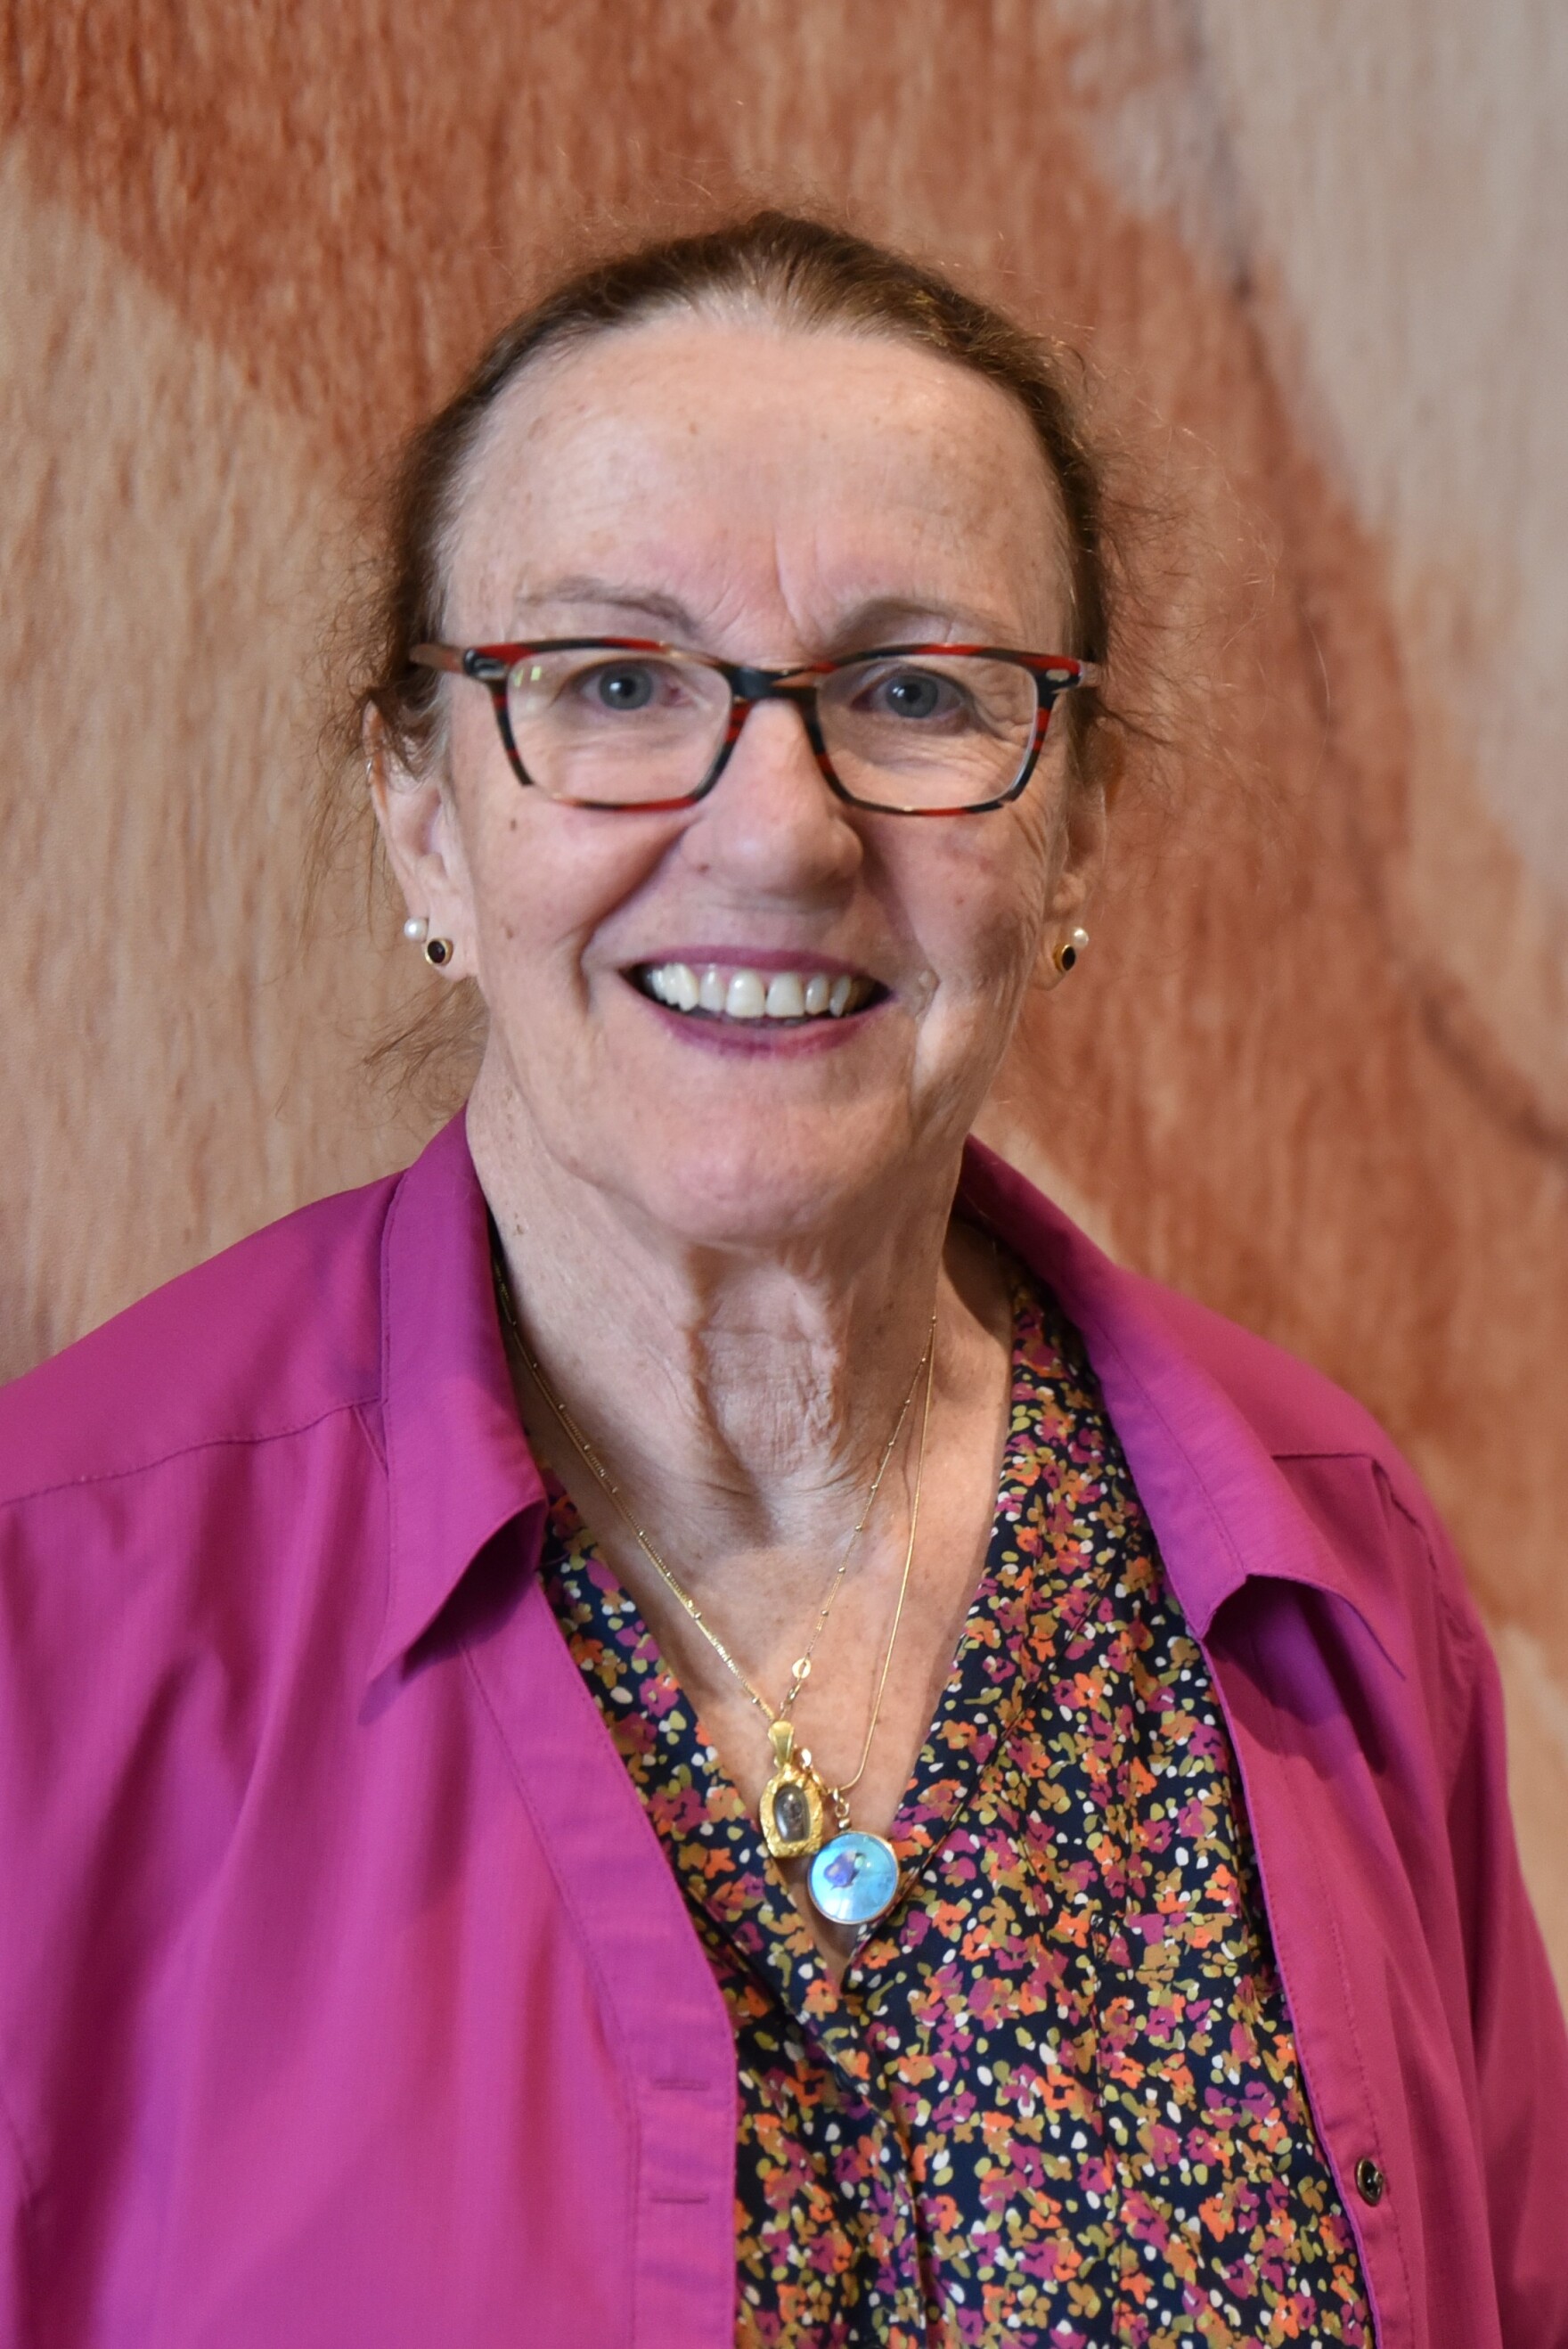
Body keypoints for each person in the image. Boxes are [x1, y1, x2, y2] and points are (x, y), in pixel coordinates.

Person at [0, 212, 1562, 2349]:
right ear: (420, 815)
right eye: (616, 681)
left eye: (916, 691)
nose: (780, 832)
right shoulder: (51, 1615)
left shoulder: (1330, 1567)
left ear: (1076, 829)